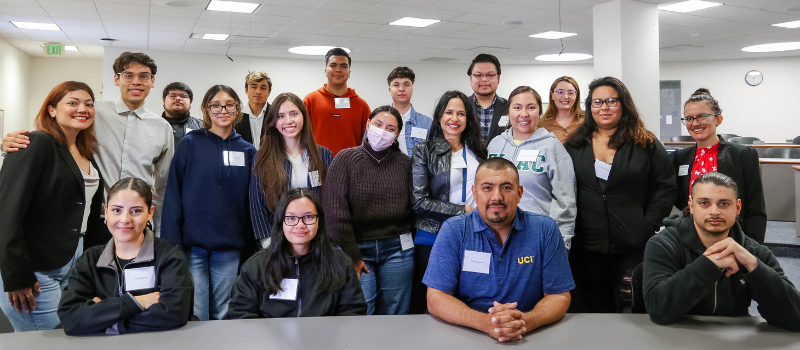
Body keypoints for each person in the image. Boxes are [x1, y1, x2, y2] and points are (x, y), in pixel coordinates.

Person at [3, 52, 173, 240]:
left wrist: (157, 229)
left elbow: (163, 186)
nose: (136, 81)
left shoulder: (162, 128)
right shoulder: (91, 112)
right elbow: (54, 134)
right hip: (92, 221)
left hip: (137, 223)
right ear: (117, 79)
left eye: (143, 76)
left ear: (152, 81)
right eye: (128, 75)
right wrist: (13, 143)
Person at [424, 158, 574, 343]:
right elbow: (436, 298)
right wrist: (486, 323)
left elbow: (559, 296)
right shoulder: (454, 231)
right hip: (467, 334)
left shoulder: (545, 230)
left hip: (531, 335)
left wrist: (524, 322)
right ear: (475, 193)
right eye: (487, 188)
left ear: (519, 193)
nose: (497, 197)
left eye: (506, 187)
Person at [564, 76, 676, 313]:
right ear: (589, 106)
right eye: (597, 102)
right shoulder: (574, 144)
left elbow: (665, 187)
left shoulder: (645, 143)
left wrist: (647, 225)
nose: (604, 107)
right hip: (586, 245)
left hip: (632, 242)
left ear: (623, 104)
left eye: (611, 101)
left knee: (632, 307)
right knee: (592, 307)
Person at [0, 81, 105, 332]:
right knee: (47, 340)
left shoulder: (84, 151)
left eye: (89, 104)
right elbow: (7, 211)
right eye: (73, 102)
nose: (83, 108)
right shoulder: (37, 143)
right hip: (35, 267)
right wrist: (16, 276)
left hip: (72, 259)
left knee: (63, 336)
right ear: (51, 110)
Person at [644, 172, 800, 331]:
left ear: (737, 207)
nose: (714, 212)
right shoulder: (663, 245)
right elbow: (658, 309)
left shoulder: (753, 252)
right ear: (691, 206)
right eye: (704, 203)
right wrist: (707, 266)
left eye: (724, 204)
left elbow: (795, 317)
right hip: (675, 336)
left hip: (733, 339)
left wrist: (755, 267)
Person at [160, 85, 256, 321]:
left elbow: (252, 202)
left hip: (230, 245)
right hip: (193, 246)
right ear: (204, 109)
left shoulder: (248, 151)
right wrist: (172, 245)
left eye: (229, 104)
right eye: (215, 105)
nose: (222, 110)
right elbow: (173, 194)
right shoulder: (190, 144)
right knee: (197, 309)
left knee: (224, 309)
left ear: (238, 109)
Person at [57, 177, 193, 335]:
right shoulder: (90, 259)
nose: (125, 219)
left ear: (150, 213)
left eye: (136, 211)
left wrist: (105, 318)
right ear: (106, 211)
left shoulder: (170, 257)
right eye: (117, 210)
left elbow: (172, 315)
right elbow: (70, 317)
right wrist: (136, 302)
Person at [323, 105, 414, 315]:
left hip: (398, 250)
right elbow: (335, 214)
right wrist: (353, 255)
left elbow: (415, 207)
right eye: (378, 124)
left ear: (397, 134)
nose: (382, 132)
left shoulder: (406, 164)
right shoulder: (345, 159)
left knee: (396, 313)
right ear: (367, 125)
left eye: (390, 129)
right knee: (362, 311)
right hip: (356, 249)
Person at [227, 188, 367, 318]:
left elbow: (353, 311)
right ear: (281, 222)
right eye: (291, 218)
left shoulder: (341, 263)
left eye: (308, 217)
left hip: (325, 342)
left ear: (319, 221)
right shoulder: (255, 267)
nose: (300, 225)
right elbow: (241, 314)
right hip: (270, 343)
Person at [408, 90, 487, 314]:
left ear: (468, 119)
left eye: (461, 113)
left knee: (469, 297)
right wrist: (464, 210)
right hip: (433, 235)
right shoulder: (424, 151)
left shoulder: (479, 152)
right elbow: (418, 201)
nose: (454, 118)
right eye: (449, 112)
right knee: (435, 299)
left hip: (473, 234)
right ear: (440, 117)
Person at [672, 88, 766, 243]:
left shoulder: (743, 155)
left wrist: (753, 247)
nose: (695, 123)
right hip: (691, 237)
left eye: (702, 116)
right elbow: (678, 197)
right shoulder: (680, 157)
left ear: (718, 119)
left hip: (732, 237)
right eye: (689, 118)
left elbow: (755, 207)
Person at [488, 86, 576, 250]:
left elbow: (565, 200)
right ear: (508, 113)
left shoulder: (552, 147)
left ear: (540, 112)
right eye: (517, 108)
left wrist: (561, 241)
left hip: (538, 237)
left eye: (531, 107)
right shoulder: (495, 144)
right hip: (496, 235)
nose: (524, 114)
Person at [250, 92, 333, 249]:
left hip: (317, 242)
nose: (288, 121)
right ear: (273, 122)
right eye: (280, 116)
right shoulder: (262, 158)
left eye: (293, 114)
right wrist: (269, 244)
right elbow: (256, 205)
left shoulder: (323, 155)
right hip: (276, 243)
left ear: (303, 116)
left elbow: (331, 201)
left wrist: (326, 239)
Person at [304, 48, 371, 157]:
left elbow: (369, 141)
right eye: (333, 65)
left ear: (349, 72)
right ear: (326, 71)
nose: (338, 69)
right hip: (317, 164)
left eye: (343, 66)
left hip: (352, 166)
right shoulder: (310, 101)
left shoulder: (361, 106)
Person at [387, 66, 432, 156]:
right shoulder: (379, 122)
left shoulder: (426, 123)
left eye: (406, 84)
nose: (401, 89)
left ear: (412, 89)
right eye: (396, 85)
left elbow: (433, 154)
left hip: (417, 170)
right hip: (387, 169)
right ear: (390, 90)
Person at [467, 53, 508, 145]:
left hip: (500, 159)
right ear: (471, 78)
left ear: (498, 78)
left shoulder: (510, 107)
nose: (484, 79)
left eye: (490, 75)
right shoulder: (461, 106)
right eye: (478, 75)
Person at [539, 76, 585, 143]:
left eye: (570, 93)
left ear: (576, 96)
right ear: (552, 95)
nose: (565, 97)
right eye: (560, 92)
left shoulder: (586, 120)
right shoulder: (542, 124)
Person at [234, 71, 272, 149]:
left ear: (269, 92)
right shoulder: (236, 116)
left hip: (271, 160)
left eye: (263, 88)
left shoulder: (276, 114)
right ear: (246, 90)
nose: (258, 92)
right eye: (254, 87)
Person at [161, 82, 202, 146]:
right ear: (163, 101)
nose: (178, 98)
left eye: (183, 96)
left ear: (190, 102)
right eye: (172, 95)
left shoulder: (203, 127)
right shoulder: (153, 126)